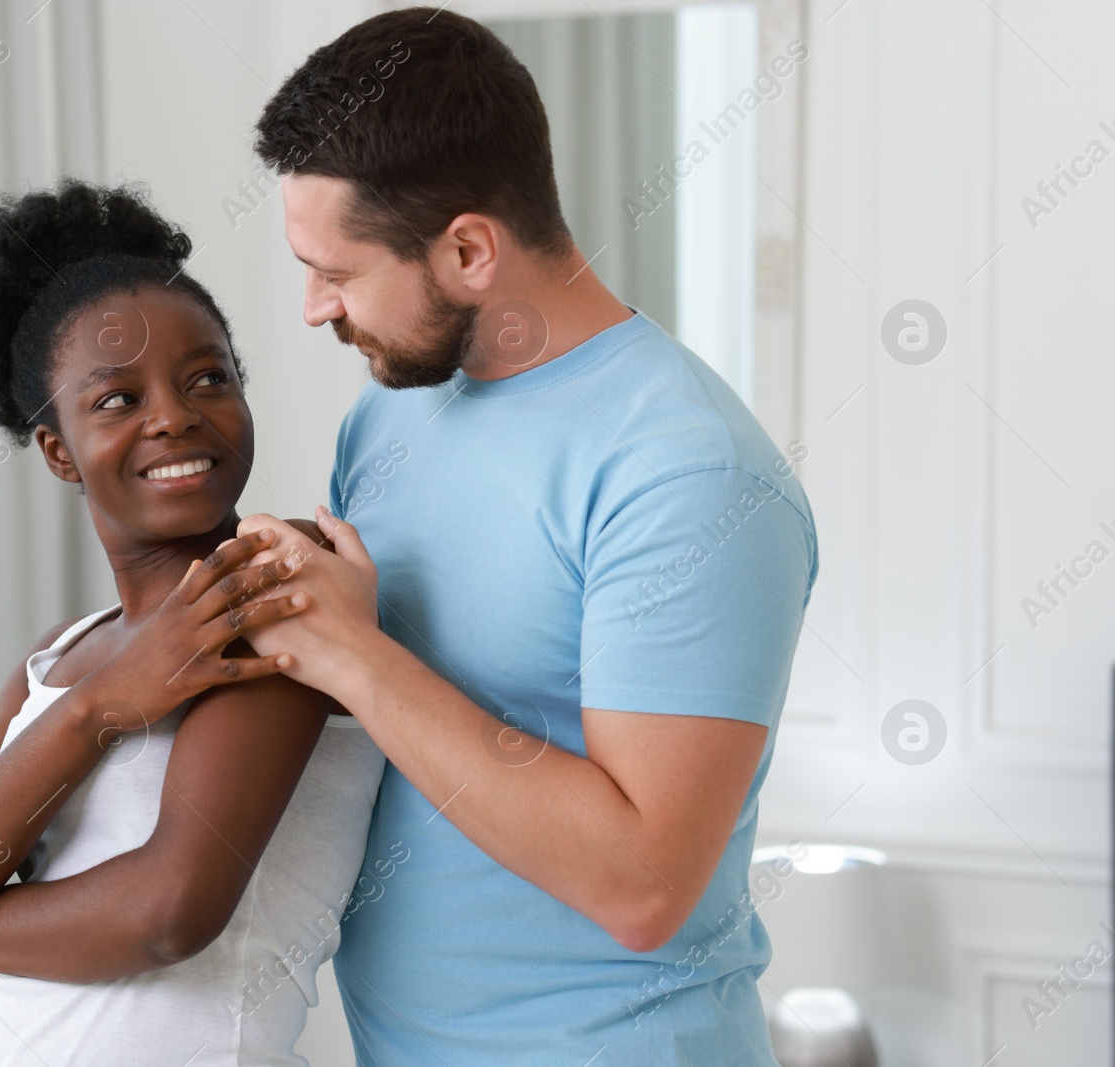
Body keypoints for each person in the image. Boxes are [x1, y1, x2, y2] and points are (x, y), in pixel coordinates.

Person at [224, 9, 819, 1065]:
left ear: (466, 248)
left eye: (339, 272)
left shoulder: (686, 470)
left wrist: (359, 657)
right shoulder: (390, 414)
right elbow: (388, 730)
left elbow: (644, 885)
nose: (313, 308)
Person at [0, 180, 385, 1066]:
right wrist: (102, 703)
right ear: (58, 451)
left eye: (208, 378)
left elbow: (169, 910)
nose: (174, 414)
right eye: (116, 399)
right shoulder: (62, 656)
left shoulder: (273, 592)